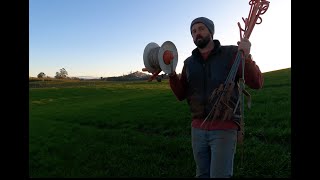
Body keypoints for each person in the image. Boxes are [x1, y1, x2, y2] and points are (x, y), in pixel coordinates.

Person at [168, 17, 264, 178]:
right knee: (202, 174)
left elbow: (257, 83)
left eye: (201, 29)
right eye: (193, 31)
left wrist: (247, 57)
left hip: (224, 128)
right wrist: (171, 73)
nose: (197, 33)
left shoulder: (232, 53)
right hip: (197, 129)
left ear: (210, 31)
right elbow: (181, 94)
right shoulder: (189, 63)